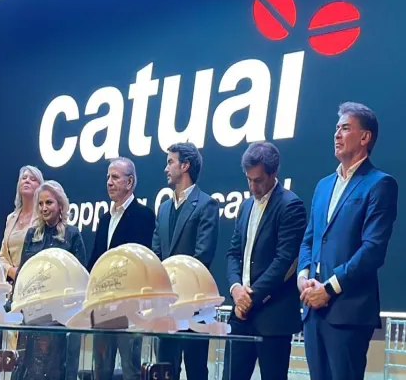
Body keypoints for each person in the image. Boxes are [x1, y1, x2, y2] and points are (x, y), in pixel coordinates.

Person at [298, 102, 399, 380]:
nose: (337, 134)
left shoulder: (380, 184)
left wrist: (329, 288)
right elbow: (309, 239)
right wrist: (303, 276)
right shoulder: (323, 186)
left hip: (348, 312)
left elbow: (373, 250)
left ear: (365, 137)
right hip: (312, 311)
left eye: (345, 128)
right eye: (336, 128)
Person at [224, 142, 307, 380]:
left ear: (273, 173)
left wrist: (249, 298)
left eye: (258, 180)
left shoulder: (290, 205)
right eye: (248, 180)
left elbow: (284, 261)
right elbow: (233, 254)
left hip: (273, 317)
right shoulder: (245, 206)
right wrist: (235, 289)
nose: (252, 187)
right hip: (240, 316)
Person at [152, 142, 219, 380]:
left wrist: (176, 291)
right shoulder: (163, 209)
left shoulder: (206, 204)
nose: (166, 168)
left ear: (185, 165)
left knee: (196, 371)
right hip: (166, 308)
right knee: (164, 370)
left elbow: (202, 257)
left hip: (194, 306)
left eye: (170, 162)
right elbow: (156, 256)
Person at [11, 180, 86, 380]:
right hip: (33, 316)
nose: (44, 208)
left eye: (49, 203)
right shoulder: (32, 235)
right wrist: (13, 304)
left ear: (60, 205)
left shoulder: (72, 235)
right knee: (28, 369)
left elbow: (80, 277)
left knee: (57, 370)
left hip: (62, 319)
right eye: (41, 204)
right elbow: (23, 272)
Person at [90, 157, 155, 380]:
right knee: (101, 370)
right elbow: (95, 261)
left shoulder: (144, 216)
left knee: (131, 369)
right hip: (102, 307)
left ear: (129, 182)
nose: (109, 182)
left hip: (129, 306)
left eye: (115, 177)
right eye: (108, 177)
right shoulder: (104, 219)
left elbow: (142, 262)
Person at [0, 165, 44, 281]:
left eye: (33, 179)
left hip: (34, 279)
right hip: (12, 283)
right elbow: (2, 256)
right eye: (24, 178)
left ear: (40, 187)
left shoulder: (43, 217)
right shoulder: (11, 218)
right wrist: (11, 271)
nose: (27, 181)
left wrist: (23, 273)